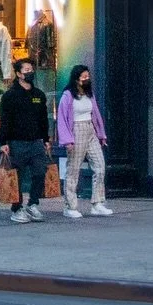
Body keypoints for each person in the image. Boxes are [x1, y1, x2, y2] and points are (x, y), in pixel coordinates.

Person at [0, 58, 51, 223]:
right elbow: (5, 119)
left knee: (40, 172)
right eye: (26, 70)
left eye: (31, 69)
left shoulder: (39, 95)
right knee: (16, 177)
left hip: (36, 142)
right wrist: (3, 142)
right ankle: (17, 208)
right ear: (19, 74)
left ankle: (33, 204)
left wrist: (46, 139)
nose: (30, 72)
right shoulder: (10, 96)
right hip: (17, 142)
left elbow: (43, 119)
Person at [56, 64, 111, 218]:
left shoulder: (89, 94)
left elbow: (96, 114)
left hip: (90, 129)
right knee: (73, 169)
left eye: (88, 76)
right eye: (84, 77)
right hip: (76, 130)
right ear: (76, 78)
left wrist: (101, 134)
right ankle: (70, 206)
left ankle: (97, 202)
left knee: (100, 166)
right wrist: (67, 140)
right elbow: (62, 119)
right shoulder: (67, 96)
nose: (87, 79)